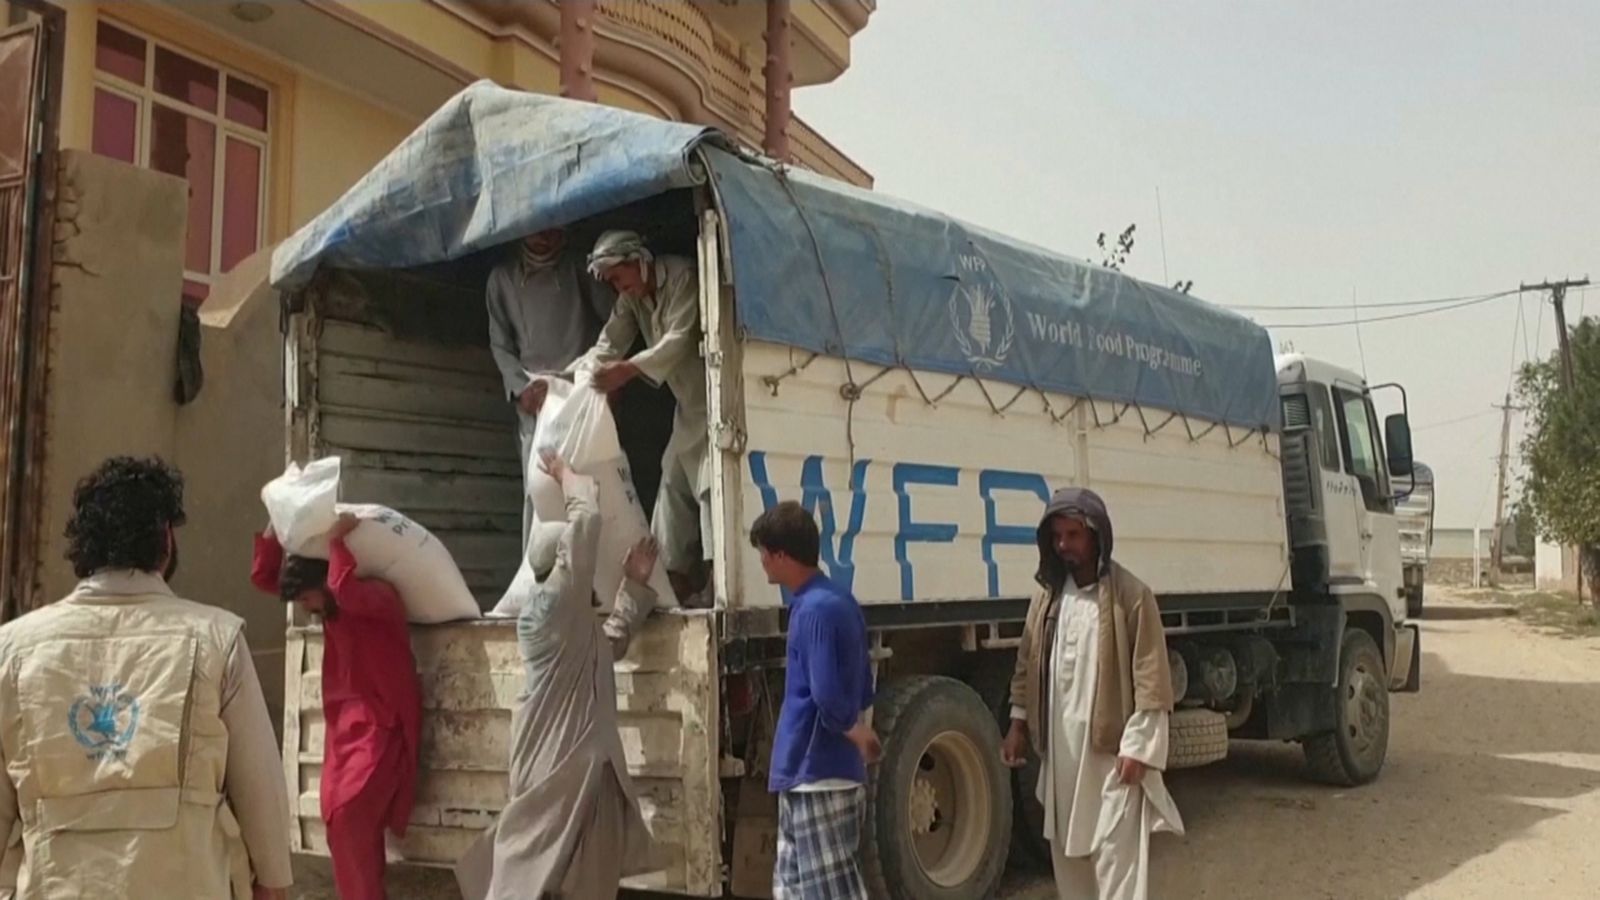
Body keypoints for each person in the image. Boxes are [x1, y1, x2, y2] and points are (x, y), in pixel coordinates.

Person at [0, 457, 292, 899]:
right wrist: (272, 882)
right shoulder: (218, 639)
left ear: (84, 549)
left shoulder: (12, 650)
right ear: (166, 541)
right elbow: (262, 792)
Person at [457, 451, 659, 900]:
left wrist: (634, 586)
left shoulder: (574, 628)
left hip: (589, 782)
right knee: (528, 881)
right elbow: (583, 531)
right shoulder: (547, 610)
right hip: (555, 779)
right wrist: (571, 480)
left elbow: (610, 644)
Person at [1000, 488, 1183, 900]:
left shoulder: (1131, 596)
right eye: (1057, 537)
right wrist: (1017, 725)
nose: (1064, 545)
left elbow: (1151, 679)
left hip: (1112, 759)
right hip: (1063, 758)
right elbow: (1027, 665)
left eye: (1073, 535)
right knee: (1068, 858)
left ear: (1097, 536)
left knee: (1117, 864)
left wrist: (1138, 748)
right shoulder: (1047, 599)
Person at [251, 513, 421, 900]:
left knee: (348, 819)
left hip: (380, 732)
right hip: (347, 735)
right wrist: (277, 524)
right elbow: (265, 578)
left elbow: (343, 587)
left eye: (308, 597)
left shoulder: (377, 598)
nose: (307, 607)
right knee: (344, 827)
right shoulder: (334, 605)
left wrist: (335, 542)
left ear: (323, 582)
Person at [751, 501, 879, 900]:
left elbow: (826, 693)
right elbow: (861, 686)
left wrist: (853, 731)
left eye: (765, 555)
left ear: (782, 555)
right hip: (811, 773)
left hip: (818, 772)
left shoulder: (813, 611)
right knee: (793, 889)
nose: (763, 564)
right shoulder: (834, 602)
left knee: (826, 892)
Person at [576, 229, 711, 605]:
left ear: (640, 261)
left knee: (711, 491)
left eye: (621, 277)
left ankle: (716, 585)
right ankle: (674, 579)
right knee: (673, 487)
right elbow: (609, 343)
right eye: (614, 283)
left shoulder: (682, 276)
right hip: (688, 409)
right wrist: (571, 377)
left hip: (717, 406)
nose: (620, 288)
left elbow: (679, 339)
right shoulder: (631, 299)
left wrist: (630, 370)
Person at [486, 227, 614, 543]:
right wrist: (520, 390)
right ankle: (538, 577)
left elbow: (616, 322)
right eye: (536, 230)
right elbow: (500, 344)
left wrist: (600, 375)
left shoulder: (579, 269)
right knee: (539, 489)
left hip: (579, 392)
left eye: (554, 230)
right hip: (534, 399)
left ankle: (597, 583)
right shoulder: (502, 279)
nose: (545, 237)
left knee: (592, 484)